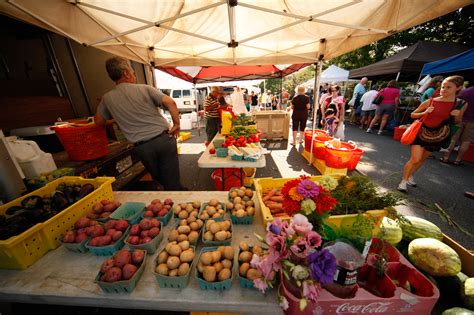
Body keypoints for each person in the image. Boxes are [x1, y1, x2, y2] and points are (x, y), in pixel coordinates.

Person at [94, 56, 185, 191]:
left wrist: (118, 118)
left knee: (160, 180)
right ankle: (178, 201)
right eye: (132, 71)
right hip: (163, 141)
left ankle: (169, 201)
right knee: (172, 181)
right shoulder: (145, 89)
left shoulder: (107, 98)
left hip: (143, 148)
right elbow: (170, 102)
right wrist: (176, 124)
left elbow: (99, 122)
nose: (134, 75)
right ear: (126, 73)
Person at [398, 76, 466, 192]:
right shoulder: (431, 101)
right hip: (422, 132)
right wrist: (425, 112)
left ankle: (410, 176)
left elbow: (458, 122)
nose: (444, 89)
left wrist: (457, 115)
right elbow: (413, 114)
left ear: (458, 88)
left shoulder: (460, 104)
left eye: (448, 87)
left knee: (422, 160)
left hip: (438, 135)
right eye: (443, 86)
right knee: (415, 158)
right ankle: (403, 182)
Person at [440, 84, 473, 165]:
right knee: (466, 141)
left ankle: (445, 157)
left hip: (458, 117)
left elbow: (456, 102)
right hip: (472, 121)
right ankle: (457, 160)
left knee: (453, 138)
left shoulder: (467, 91)